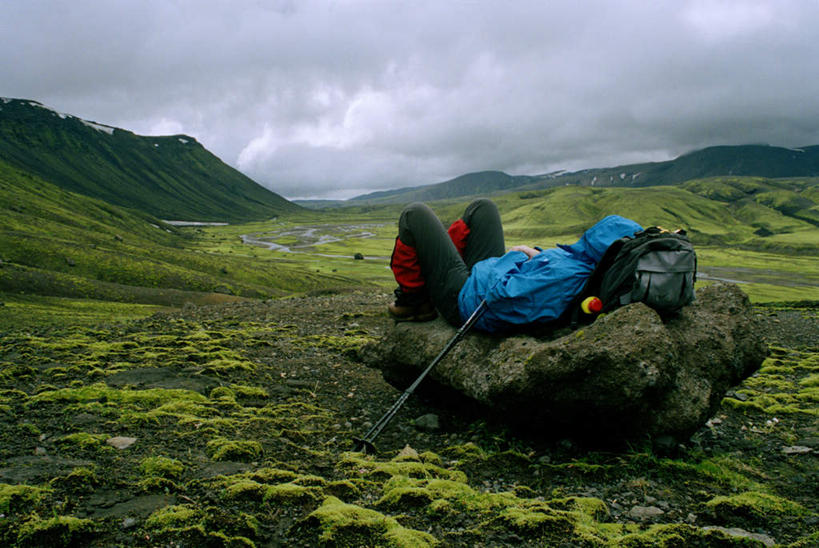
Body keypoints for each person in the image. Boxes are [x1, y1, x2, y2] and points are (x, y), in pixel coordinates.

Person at [388, 198, 643, 333]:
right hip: (483, 278)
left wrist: (516, 257)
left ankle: (415, 302)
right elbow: (552, 267)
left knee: (414, 214)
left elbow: (502, 297)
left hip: (469, 302)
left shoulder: (570, 276)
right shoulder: (587, 262)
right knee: (483, 207)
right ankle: (443, 272)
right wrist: (535, 254)